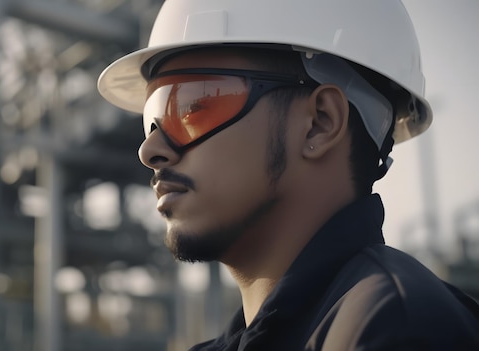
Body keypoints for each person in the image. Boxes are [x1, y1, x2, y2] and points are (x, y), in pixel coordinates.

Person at [98, 0, 479, 350]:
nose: (150, 151)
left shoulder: (397, 327)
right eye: (154, 117)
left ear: (319, 123)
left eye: (193, 104)